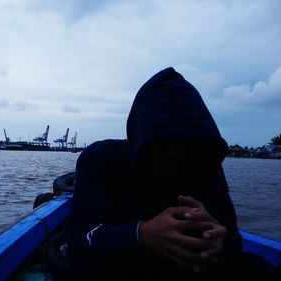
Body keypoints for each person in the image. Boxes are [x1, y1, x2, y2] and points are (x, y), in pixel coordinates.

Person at [65, 67, 271, 280]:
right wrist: (140, 234)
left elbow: (232, 237)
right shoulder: (101, 159)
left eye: (186, 143)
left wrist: (218, 236)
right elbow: (77, 239)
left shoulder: (205, 166)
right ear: (142, 137)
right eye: (163, 143)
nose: (174, 152)